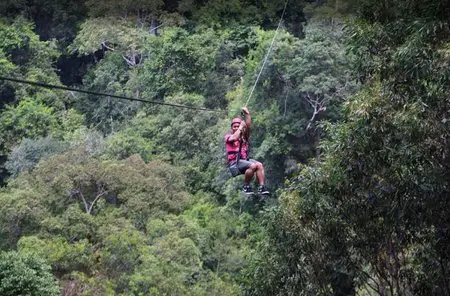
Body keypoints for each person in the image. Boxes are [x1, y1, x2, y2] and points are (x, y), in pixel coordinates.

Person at [224, 107, 269, 196]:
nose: (236, 128)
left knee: (259, 165)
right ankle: (246, 186)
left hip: (244, 161)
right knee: (253, 165)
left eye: (237, 126)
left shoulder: (244, 136)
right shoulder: (228, 137)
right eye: (234, 127)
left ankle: (262, 187)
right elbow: (235, 137)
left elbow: (247, 126)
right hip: (234, 163)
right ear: (232, 128)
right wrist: (240, 126)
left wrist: (247, 114)